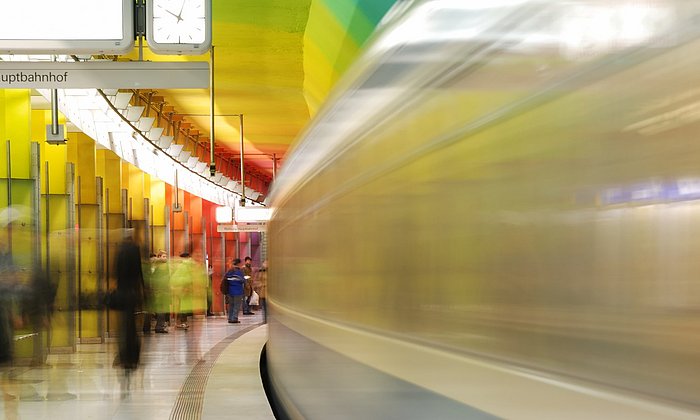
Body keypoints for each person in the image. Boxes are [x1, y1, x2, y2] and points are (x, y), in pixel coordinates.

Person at [113, 231, 146, 397]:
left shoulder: (119, 251)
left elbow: (115, 274)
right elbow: (139, 272)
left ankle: (123, 355)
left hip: (122, 294)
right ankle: (131, 356)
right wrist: (143, 292)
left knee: (123, 326)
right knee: (133, 327)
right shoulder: (134, 250)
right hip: (132, 294)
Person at [223, 258, 245, 324]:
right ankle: (234, 318)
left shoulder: (229, 271)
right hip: (238, 291)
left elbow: (226, 279)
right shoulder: (239, 272)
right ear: (238, 264)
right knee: (236, 305)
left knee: (231, 305)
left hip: (230, 291)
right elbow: (242, 280)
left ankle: (230, 318)